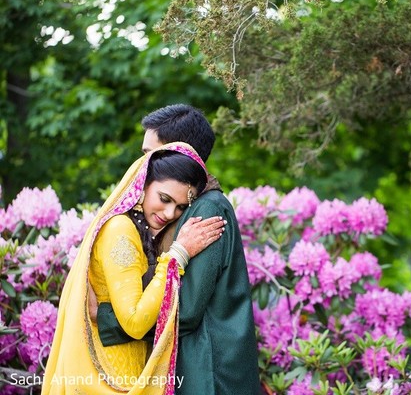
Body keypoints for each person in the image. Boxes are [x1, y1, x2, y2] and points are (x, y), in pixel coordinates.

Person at [96, 105, 261, 394]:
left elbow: (185, 311)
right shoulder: (182, 209)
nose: (141, 164)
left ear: (178, 154)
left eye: (150, 155)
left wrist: (105, 318)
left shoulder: (207, 209)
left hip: (209, 375)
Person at [42, 142, 226, 395]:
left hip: (124, 372)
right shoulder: (121, 229)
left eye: (181, 207)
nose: (170, 212)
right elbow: (135, 322)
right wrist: (179, 254)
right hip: (107, 380)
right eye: (164, 199)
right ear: (142, 184)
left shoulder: (139, 231)